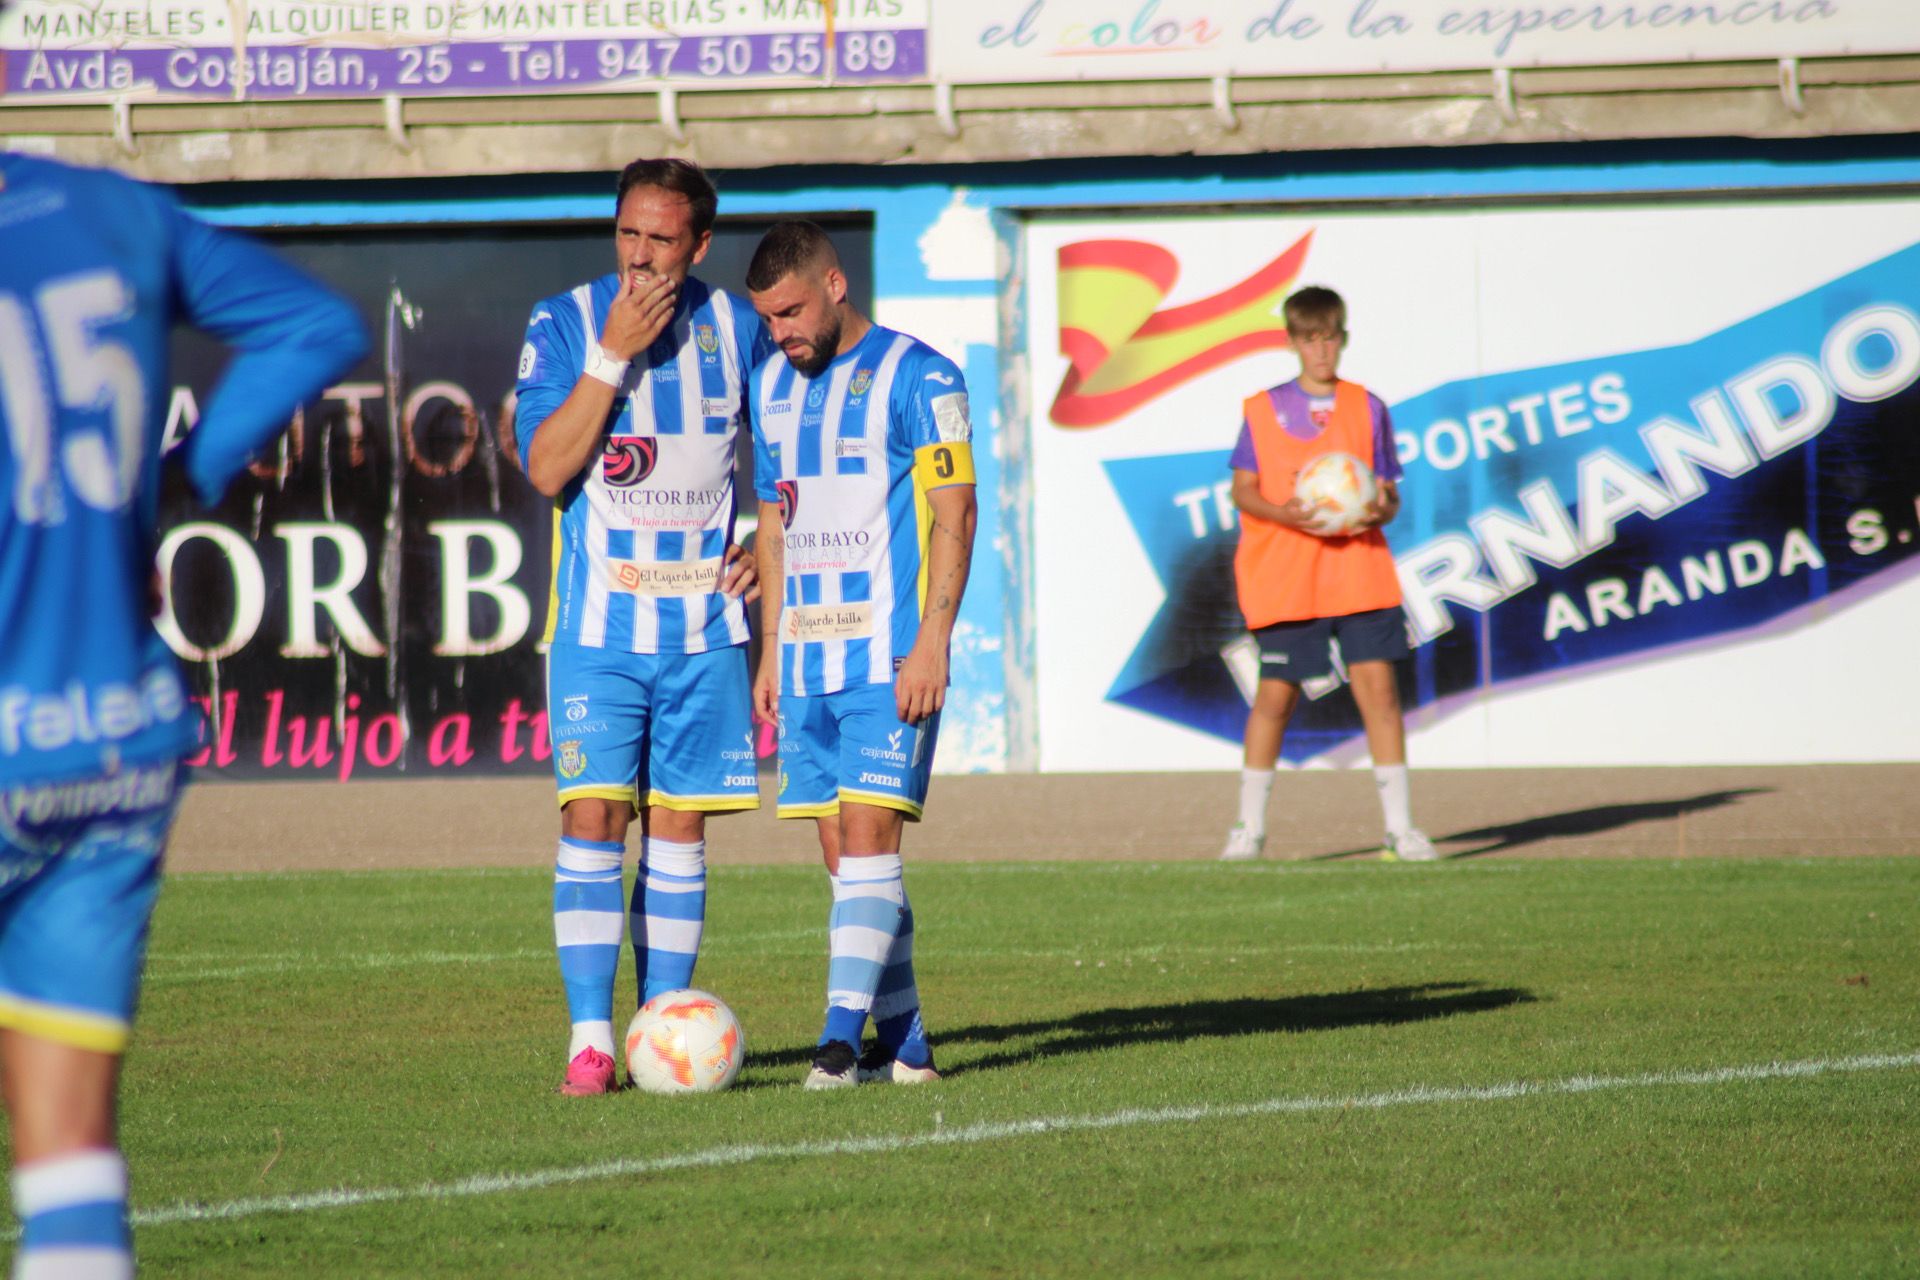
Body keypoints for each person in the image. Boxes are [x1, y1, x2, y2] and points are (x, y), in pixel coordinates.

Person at [0, 150, 366, 1275]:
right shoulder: (110, 208)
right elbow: (315, 325)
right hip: (113, 740)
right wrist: (172, 481)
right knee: (66, 1157)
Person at [514, 158, 770, 1097]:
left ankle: (660, 1030)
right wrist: (610, 355)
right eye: (628, 234)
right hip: (597, 627)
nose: (641, 257)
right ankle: (589, 1039)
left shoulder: (740, 328)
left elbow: (784, 451)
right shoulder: (562, 322)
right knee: (595, 816)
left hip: (705, 630)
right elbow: (547, 468)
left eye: (662, 240)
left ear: (700, 246)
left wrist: (768, 543)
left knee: (680, 829)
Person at [745, 220, 977, 1089]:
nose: (783, 333)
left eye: (793, 311)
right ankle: (907, 1043)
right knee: (847, 863)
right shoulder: (771, 385)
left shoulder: (923, 376)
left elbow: (956, 511)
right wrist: (769, 651)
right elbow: (774, 520)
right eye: (769, 320)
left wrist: (932, 643)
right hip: (805, 661)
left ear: (835, 285)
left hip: (888, 658)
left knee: (873, 843)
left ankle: (837, 1047)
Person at [1220, 285, 1438, 863]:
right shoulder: (1262, 410)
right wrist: (1282, 510)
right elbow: (1242, 490)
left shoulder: (1368, 406)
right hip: (1287, 579)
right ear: (1293, 342)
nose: (1321, 350)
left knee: (1380, 695)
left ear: (1344, 338)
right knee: (1275, 698)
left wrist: (1376, 510)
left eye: (1330, 337)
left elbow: (1389, 495)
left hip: (1359, 572)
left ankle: (1401, 829)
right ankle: (1249, 830)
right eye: (1309, 339)